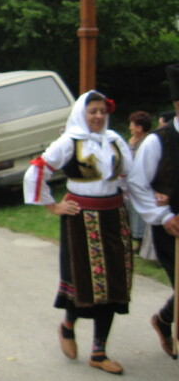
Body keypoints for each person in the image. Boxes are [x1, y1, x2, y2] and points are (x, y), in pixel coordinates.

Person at [23, 91, 133, 374]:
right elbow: (37, 170)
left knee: (114, 283)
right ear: (81, 114)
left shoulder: (115, 140)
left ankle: (99, 351)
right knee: (86, 282)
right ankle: (69, 323)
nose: (98, 116)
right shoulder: (69, 142)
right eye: (92, 111)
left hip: (114, 217)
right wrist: (52, 206)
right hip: (82, 219)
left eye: (101, 111)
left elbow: (130, 178)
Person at [127, 63, 179, 361]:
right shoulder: (158, 141)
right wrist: (164, 216)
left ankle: (164, 319)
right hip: (170, 229)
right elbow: (137, 184)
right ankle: (165, 320)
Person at [126, 110, 152, 253]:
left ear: (139, 128)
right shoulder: (136, 142)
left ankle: (140, 240)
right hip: (133, 185)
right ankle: (135, 239)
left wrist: (130, 147)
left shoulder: (147, 142)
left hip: (144, 185)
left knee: (138, 212)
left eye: (132, 125)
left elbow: (131, 162)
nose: (130, 127)